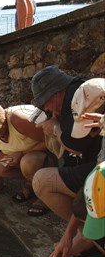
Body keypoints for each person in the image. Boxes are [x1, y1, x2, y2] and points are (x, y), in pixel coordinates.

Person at [31, 67, 103, 221]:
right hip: (96, 164)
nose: (46, 108)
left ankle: (87, 236)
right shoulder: (76, 92)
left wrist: (56, 128)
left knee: (41, 181)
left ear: (56, 94)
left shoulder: (78, 99)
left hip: (98, 168)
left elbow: (75, 146)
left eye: (45, 103)